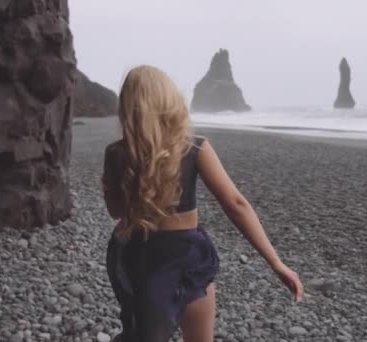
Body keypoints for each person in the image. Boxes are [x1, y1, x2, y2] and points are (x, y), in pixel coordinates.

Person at [101, 65, 304, 342]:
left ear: (128, 107)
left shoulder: (116, 154)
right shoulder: (194, 148)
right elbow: (236, 203)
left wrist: (113, 186)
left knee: (141, 334)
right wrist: (276, 263)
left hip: (137, 255)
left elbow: (116, 212)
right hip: (186, 254)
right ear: (170, 102)